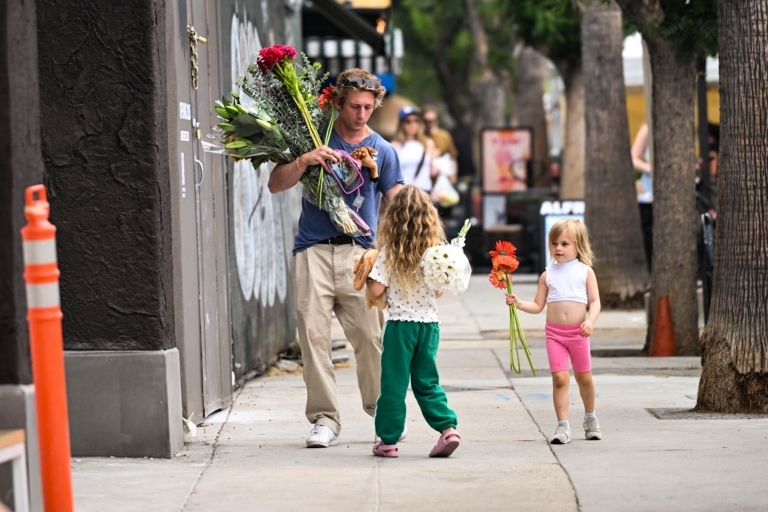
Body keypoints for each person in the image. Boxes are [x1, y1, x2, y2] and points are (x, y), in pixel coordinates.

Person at [268, 69, 404, 448]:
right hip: (312, 250)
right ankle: (325, 420)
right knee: (312, 338)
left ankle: (384, 413)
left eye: (368, 107)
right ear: (339, 103)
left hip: (361, 254)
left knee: (371, 338)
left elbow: (399, 201)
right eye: (354, 106)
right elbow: (275, 183)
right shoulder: (313, 137)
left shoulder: (384, 149)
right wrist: (305, 160)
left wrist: (377, 176)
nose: (361, 114)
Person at [365, 185, 461, 458]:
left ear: (393, 217)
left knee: (394, 384)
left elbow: (376, 290)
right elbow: (439, 290)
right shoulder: (436, 253)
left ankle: (388, 440)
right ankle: (447, 428)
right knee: (427, 382)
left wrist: (368, 273)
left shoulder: (389, 252)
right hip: (429, 326)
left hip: (400, 327)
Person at [505, 219, 602, 445]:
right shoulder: (547, 275)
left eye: (565, 244)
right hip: (555, 335)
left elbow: (595, 301)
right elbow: (538, 306)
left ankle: (590, 418)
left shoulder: (585, 272)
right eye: (554, 243)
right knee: (560, 378)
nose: (558, 248)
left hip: (579, 333)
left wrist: (591, 320)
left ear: (578, 246)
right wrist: (518, 303)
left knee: (584, 378)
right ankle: (563, 425)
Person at [391, 106, 438, 194]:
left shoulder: (427, 143)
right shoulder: (395, 145)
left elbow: (433, 171)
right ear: (402, 124)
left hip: (424, 191)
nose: (413, 124)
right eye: (408, 121)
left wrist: (443, 166)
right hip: (404, 192)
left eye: (416, 120)